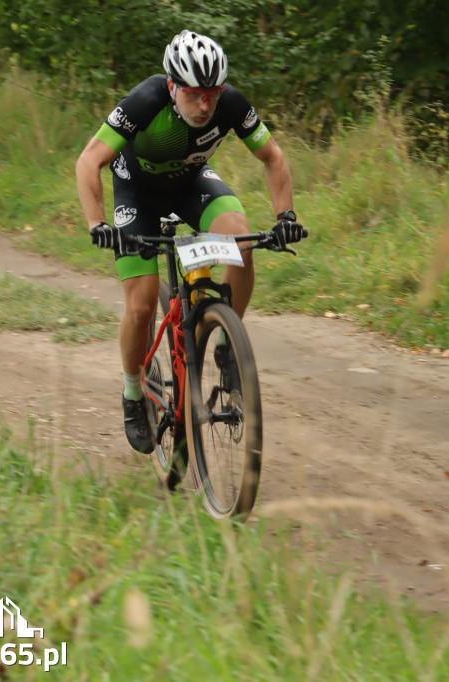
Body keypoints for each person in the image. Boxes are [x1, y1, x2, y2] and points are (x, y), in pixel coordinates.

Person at [76, 30, 305, 454]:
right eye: (196, 94)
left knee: (242, 240)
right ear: (173, 86)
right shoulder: (145, 101)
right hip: (136, 194)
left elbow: (273, 156)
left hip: (189, 185)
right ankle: (132, 393)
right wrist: (97, 223)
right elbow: (89, 160)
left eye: (213, 95)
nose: (206, 105)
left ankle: (226, 346)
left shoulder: (231, 104)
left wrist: (285, 216)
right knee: (142, 303)